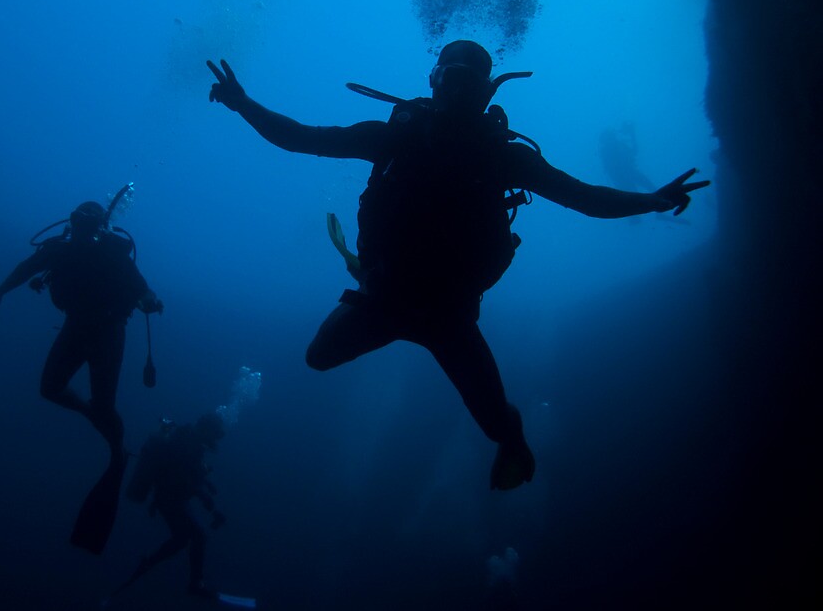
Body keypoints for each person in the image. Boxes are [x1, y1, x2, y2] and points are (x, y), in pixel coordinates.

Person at [207, 40, 709, 491]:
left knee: (498, 426)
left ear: (488, 91)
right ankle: (366, 276)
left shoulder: (504, 157)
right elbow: (302, 138)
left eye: (469, 82)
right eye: (451, 78)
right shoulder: (395, 138)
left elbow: (585, 198)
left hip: (449, 317)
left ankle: (514, 443)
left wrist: (651, 200)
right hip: (384, 298)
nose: (458, 90)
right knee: (316, 358)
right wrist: (242, 103)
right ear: (433, 81)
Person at [0, 195, 163, 552]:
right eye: (78, 218)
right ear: (71, 220)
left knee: (104, 404)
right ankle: (100, 422)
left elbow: (141, 286)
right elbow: (26, 268)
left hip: (108, 331)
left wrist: (150, 299)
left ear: (100, 225)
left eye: (90, 220)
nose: (82, 224)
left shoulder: (113, 253)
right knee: (51, 389)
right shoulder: (58, 249)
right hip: (76, 327)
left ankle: (115, 445)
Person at [115, 413, 229, 601]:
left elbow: (190, 473)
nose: (215, 438)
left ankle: (149, 563)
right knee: (198, 537)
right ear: (206, 429)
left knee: (182, 539)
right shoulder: (188, 443)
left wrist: (205, 488)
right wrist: (207, 499)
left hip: (171, 498)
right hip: (169, 499)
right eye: (215, 432)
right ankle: (195, 584)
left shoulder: (190, 442)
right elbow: (181, 479)